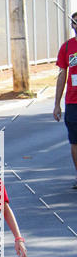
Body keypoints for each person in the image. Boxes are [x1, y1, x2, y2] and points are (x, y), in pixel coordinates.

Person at [53, 11, 77, 188]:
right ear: (72, 26)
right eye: (75, 23)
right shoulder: (67, 47)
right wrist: (57, 105)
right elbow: (62, 75)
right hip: (73, 102)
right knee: (75, 141)